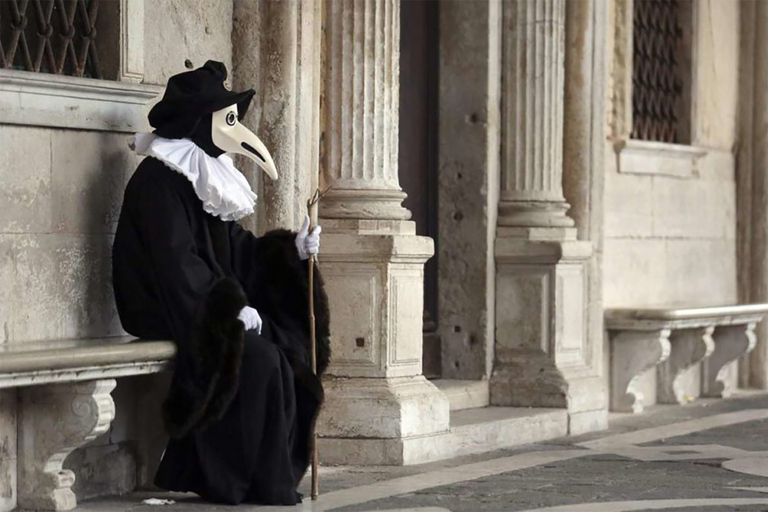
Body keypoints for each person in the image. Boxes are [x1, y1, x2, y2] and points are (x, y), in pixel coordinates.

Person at [112, 60, 330, 506]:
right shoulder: (158, 183)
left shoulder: (200, 177)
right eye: (226, 119)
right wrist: (226, 309)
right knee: (258, 359)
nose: (236, 130)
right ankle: (231, 478)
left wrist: (294, 251)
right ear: (199, 123)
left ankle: (270, 477)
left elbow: (236, 249)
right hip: (164, 304)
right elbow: (176, 264)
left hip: (201, 300)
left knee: (283, 345)